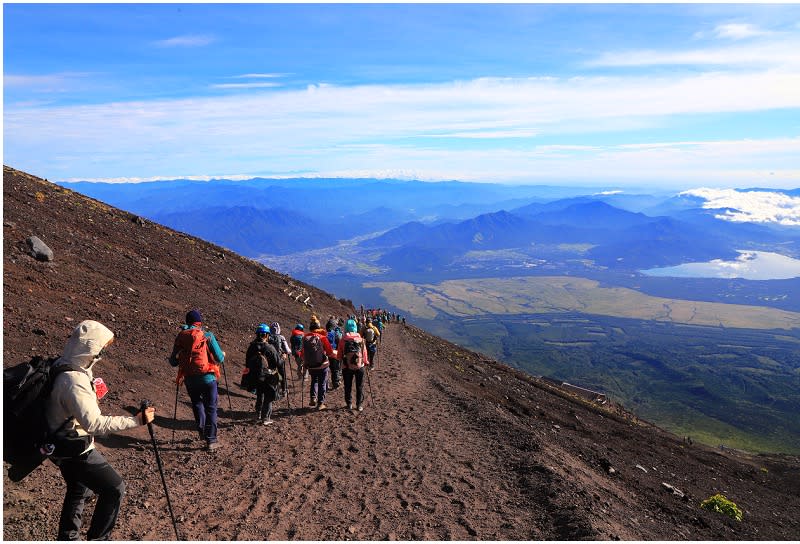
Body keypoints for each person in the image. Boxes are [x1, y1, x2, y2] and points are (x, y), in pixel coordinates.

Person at [45, 320, 156, 541]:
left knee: (79, 489)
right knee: (115, 489)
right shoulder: (73, 381)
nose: (103, 353)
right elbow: (94, 424)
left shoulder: (64, 364)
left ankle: (67, 537)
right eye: (101, 349)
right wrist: (136, 420)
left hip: (58, 443)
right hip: (76, 448)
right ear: (91, 349)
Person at [169, 309, 225, 451]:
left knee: (197, 403)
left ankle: (201, 430)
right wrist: (222, 355)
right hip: (208, 378)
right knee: (211, 408)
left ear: (187, 322)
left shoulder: (181, 337)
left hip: (189, 379)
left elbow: (173, 362)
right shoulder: (207, 335)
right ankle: (211, 440)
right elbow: (220, 358)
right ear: (199, 323)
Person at [246, 324, 286, 425]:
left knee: (260, 395)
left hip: (255, 376)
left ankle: (257, 414)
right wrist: (283, 358)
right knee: (269, 397)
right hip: (269, 376)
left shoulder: (251, 347)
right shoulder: (270, 348)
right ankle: (265, 418)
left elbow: (247, 362)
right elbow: (278, 363)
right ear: (267, 335)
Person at [299, 315, 337, 410]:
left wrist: (306, 362)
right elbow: (329, 352)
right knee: (322, 383)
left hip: (310, 365)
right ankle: (320, 403)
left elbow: (302, 353)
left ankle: (313, 398)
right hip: (322, 365)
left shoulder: (305, 338)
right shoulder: (322, 337)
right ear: (318, 327)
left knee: (314, 381)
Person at [339, 319, 371, 411]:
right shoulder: (361, 340)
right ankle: (359, 405)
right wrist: (366, 362)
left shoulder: (343, 340)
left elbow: (339, 356)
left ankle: (349, 404)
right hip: (359, 366)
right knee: (359, 386)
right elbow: (364, 353)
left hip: (346, 366)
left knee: (348, 385)